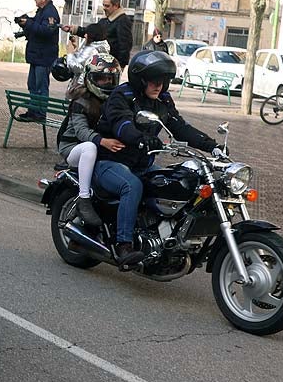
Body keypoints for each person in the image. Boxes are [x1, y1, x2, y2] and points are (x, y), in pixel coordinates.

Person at [94, 50, 220, 268]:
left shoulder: (162, 99)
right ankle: (124, 245)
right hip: (110, 162)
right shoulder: (121, 96)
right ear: (139, 79)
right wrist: (141, 138)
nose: (158, 85)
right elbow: (122, 125)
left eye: (163, 80)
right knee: (131, 186)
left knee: (175, 183)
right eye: (153, 80)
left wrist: (212, 146)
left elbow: (179, 126)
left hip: (143, 164)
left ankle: (166, 239)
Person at [55, 53, 123, 227]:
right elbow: (81, 132)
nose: (106, 83)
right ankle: (84, 199)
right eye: (101, 79)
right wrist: (103, 141)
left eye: (110, 79)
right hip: (73, 148)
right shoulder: (80, 100)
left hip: (98, 147)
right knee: (89, 148)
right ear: (90, 78)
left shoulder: (116, 100)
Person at [16, 0, 61, 121]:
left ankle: (40, 113)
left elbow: (45, 31)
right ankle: (33, 111)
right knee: (32, 85)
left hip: (44, 57)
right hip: (37, 56)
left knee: (41, 86)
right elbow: (36, 26)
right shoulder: (42, 11)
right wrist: (25, 22)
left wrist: (29, 23)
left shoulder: (50, 13)